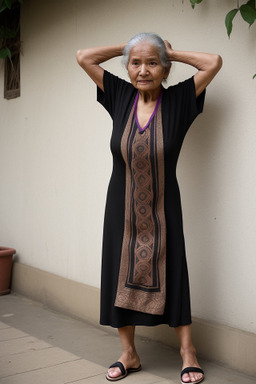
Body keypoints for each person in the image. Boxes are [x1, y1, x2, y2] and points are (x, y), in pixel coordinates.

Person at [76, 33, 222, 384]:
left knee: (172, 270)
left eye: (152, 62)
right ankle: (129, 353)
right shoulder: (120, 95)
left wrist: (168, 50)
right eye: (135, 63)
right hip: (120, 206)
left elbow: (213, 61)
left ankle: (189, 352)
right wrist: (130, 45)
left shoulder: (180, 100)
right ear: (127, 69)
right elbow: (84, 56)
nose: (143, 70)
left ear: (165, 69)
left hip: (163, 205)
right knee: (118, 270)